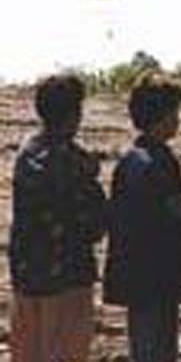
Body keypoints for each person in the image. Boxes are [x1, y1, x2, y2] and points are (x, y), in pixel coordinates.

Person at [9, 74, 106, 362]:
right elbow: (95, 224)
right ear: (73, 114)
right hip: (67, 278)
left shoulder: (27, 153)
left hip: (27, 277)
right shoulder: (75, 163)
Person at [104, 73, 181, 361]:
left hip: (135, 277)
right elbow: (176, 227)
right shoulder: (162, 164)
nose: (178, 119)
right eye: (175, 112)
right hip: (160, 279)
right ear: (163, 116)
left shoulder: (129, 161)